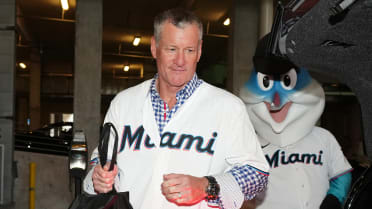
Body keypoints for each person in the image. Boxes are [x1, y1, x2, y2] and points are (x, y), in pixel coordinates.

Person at [83, 8, 269, 209]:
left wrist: (206, 185)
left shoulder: (227, 107)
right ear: (154, 47)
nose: (180, 61)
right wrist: (100, 175)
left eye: (189, 50)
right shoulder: (124, 103)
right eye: (172, 49)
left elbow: (257, 175)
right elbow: (101, 159)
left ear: (199, 51)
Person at [240, 34, 352, 209]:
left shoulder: (323, 137)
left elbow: (341, 175)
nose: (276, 101)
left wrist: (334, 200)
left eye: (286, 81)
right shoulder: (249, 144)